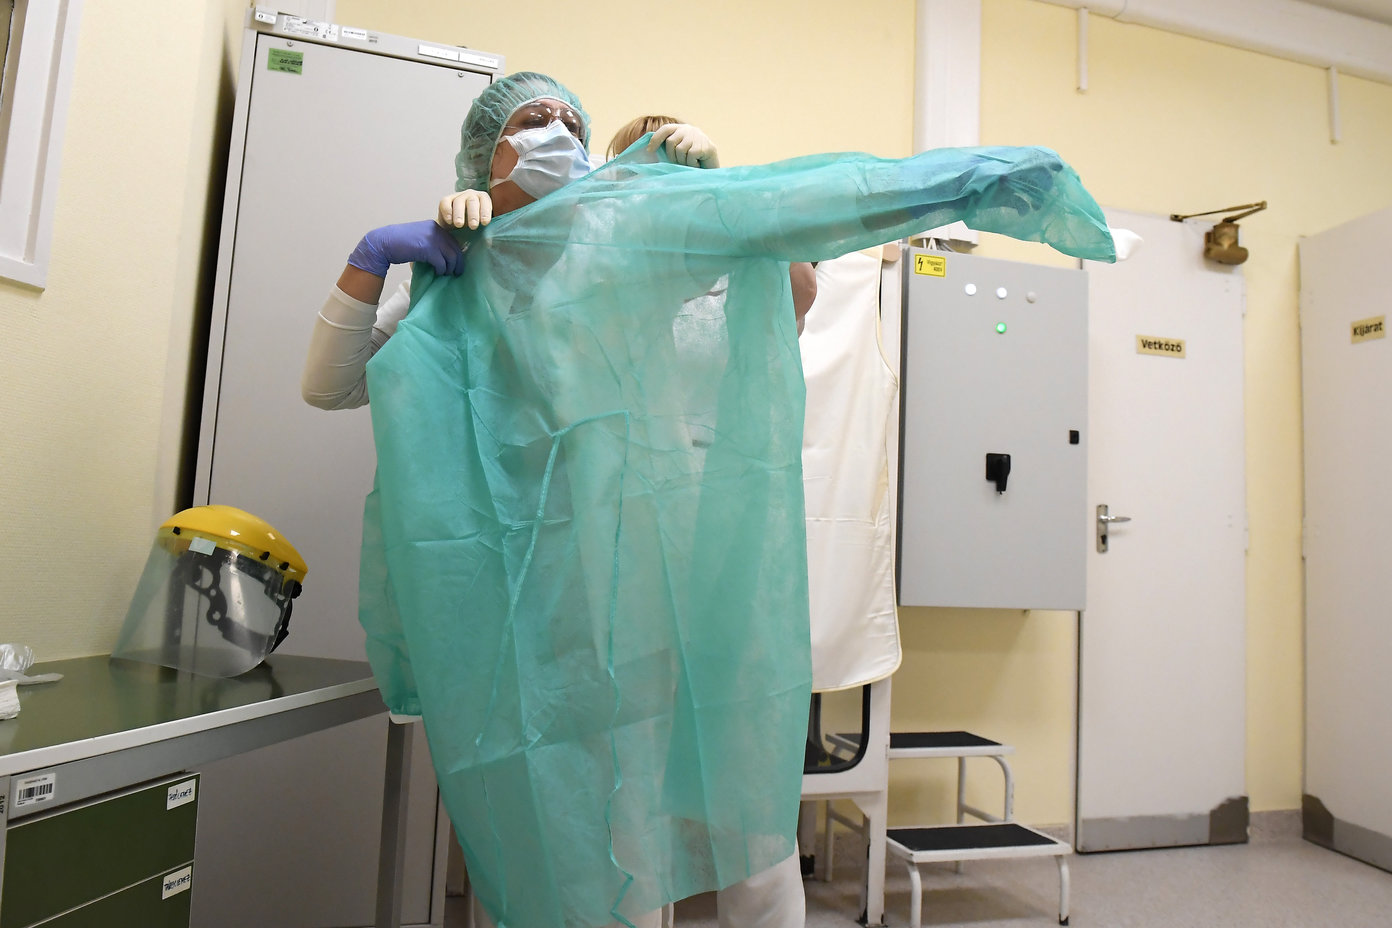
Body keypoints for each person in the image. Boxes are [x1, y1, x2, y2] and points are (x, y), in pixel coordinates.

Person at [302, 73, 808, 928]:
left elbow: (783, 298)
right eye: (534, 119)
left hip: (649, 581)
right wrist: (374, 253)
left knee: (696, 808)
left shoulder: (616, 261)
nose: (558, 131)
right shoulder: (447, 275)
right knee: (570, 818)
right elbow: (329, 385)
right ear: (483, 155)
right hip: (525, 598)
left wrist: (717, 197)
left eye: (572, 121)